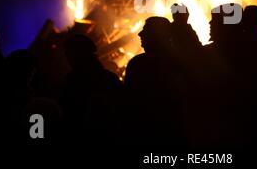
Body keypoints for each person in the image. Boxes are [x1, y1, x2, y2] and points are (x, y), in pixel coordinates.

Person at [124, 17, 184, 148]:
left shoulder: (139, 64)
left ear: (157, 34)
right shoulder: (179, 62)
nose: (140, 33)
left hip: (149, 135)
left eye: (146, 30)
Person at [61, 34, 122, 143]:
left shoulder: (73, 81)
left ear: (79, 54)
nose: (67, 59)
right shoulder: (109, 78)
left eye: (69, 54)